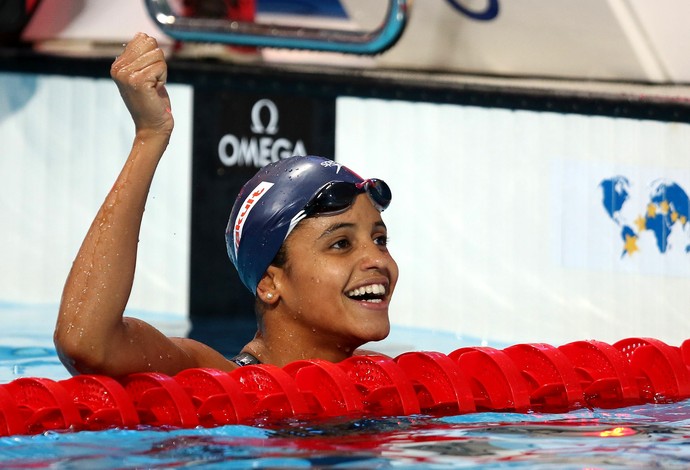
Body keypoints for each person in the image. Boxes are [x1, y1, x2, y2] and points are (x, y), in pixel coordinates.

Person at [54, 33, 399, 377]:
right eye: (341, 244)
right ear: (269, 283)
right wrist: (149, 135)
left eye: (380, 240)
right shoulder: (212, 378)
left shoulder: (390, 382)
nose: (377, 260)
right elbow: (86, 343)